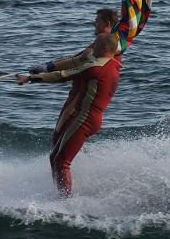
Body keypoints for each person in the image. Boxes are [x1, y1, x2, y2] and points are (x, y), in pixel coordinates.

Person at [17, 32, 122, 198]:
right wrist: (44, 68)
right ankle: (60, 192)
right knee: (55, 158)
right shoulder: (113, 64)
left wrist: (30, 78)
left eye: (95, 44)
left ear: (104, 48)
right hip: (91, 117)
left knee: (61, 161)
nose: (92, 47)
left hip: (85, 118)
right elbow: (75, 61)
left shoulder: (95, 67)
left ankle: (66, 201)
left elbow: (62, 76)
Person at [29, 8, 119, 74]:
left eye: (97, 21)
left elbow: (78, 60)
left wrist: (46, 69)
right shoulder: (100, 42)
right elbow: (76, 57)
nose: (93, 24)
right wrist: (49, 64)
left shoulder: (106, 44)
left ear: (107, 24)